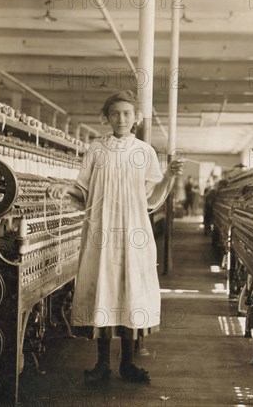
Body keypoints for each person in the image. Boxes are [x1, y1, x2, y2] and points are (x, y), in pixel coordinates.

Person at [47, 90, 185, 384]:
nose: (121, 119)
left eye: (126, 113)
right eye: (115, 113)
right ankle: (101, 364)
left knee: (130, 291)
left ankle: (128, 364)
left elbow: (153, 199)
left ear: (137, 118)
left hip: (134, 232)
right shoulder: (96, 150)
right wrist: (63, 188)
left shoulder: (144, 152)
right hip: (101, 232)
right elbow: (83, 193)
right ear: (106, 117)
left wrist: (171, 176)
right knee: (103, 290)